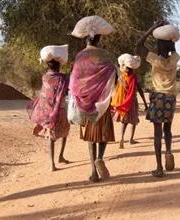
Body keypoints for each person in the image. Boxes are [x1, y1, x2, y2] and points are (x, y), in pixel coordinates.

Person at [69, 16, 117, 182]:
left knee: (90, 137)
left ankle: (93, 171)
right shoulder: (105, 55)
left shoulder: (80, 56)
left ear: (86, 38)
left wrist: (79, 96)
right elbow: (113, 74)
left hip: (86, 102)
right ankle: (100, 158)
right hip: (102, 103)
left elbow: (75, 80)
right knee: (103, 134)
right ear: (98, 37)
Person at [136, 21, 180, 177]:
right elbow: (173, 49)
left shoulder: (155, 59)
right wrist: (171, 40)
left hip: (159, 97)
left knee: (157, 133)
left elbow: (139, 46)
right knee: (168, 129)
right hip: (171, 98)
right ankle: (168, 151)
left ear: (159, 46)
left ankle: (159, 167)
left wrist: (152, 28)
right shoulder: (175, 58)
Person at [27, 45, 70, 172]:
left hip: (46, 111)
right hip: (60, 110)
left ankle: (52, 163)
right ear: (59, 66)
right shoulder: (63, 78)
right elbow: (67, 92)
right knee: (65, 132)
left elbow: (45, 94)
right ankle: (60, 156)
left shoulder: (45, 77)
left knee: (51, 136)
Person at [111, 54, 148, 149]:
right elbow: (139, 90)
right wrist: (145, 103)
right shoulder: (134, 77)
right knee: (134, 120)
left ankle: (122, 138)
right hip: (132, 101)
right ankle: (131, 139)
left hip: (123, 101)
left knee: (124, 121)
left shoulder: (122, 76)